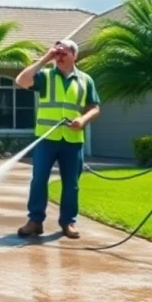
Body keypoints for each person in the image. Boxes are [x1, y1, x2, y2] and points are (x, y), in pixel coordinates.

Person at [15, 38, 101, 239]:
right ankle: (35, 221)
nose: (59, 57)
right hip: (46, 138)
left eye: (63, 53)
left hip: (73, 140)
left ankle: (68, 222)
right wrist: (46, 58)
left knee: (71, 183)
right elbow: (21, 80)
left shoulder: (85, 80)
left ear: (74, 55)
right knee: (39, 180)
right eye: (57, 53)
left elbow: (95, 107)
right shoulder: (45, 76)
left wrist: (83, 119)